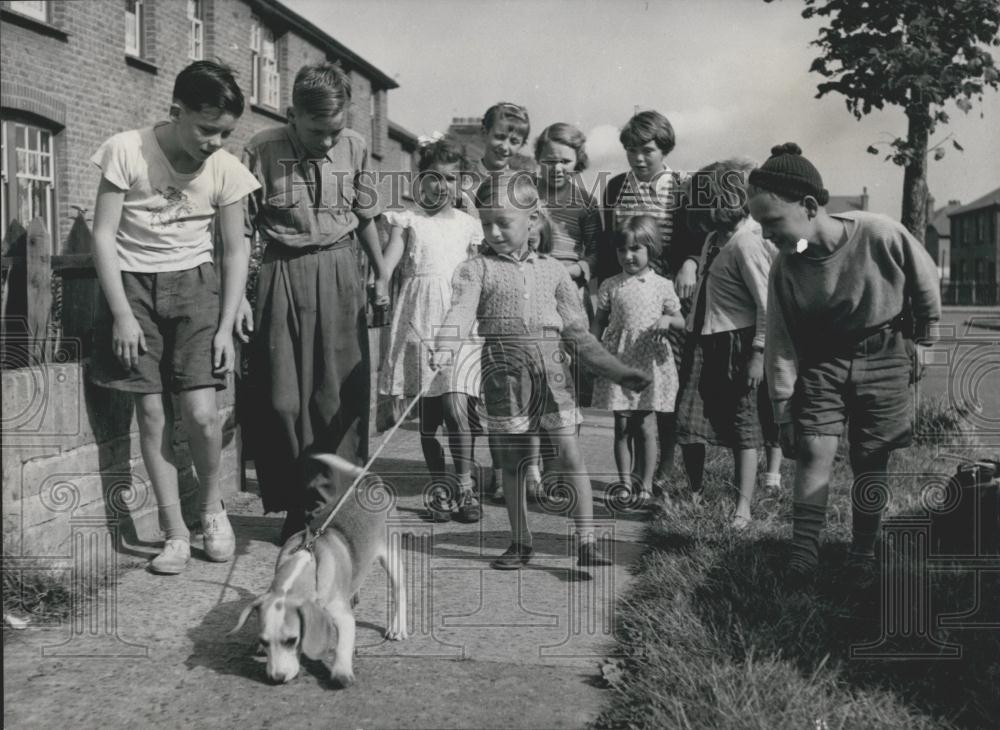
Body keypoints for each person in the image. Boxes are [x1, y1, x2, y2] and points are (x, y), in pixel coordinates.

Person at [89, 61, 261, 574]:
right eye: (207, 128)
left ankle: (211, 510)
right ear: (175, 111)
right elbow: (102, 235)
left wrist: (229, 321)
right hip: (134, 289)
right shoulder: (127, 150)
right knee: (153, 415)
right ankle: (174, 533)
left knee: (203, 416)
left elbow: (234, 250)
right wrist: (121, 314)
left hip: (196, 288)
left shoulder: (226, 169)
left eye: (226, 132)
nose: (215, 141)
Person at [432, 172, 651, 569]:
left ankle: (586, 540)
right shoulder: (476, 269)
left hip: (552, 372)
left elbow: (580, 335)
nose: (493, 232)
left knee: (569, 454)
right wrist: (446, 345)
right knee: (514, 460)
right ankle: (520, 541)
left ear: (532, 220)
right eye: (486, 223)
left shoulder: (554, 272)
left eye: (504, 223)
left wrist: (618, 371)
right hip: (504, 373)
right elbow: (461, 309)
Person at [748, 142, 940, 582]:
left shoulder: (879, 232)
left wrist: (926, 338)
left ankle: (862, 551)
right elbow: (781, 341)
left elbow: (925, 280)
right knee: (815, 448)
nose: (765, 234)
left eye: (772, 221)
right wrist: (783, 408)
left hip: (886, 351)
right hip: (822, 360)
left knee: (872, 456)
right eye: (759, 224)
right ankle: (804, 552)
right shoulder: (785, 268)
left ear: (810, 206)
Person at [240, 63, 390, 543]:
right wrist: (239, 298)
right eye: (316, 131)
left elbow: (366, 217)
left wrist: (382, 272)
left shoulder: (357, 147)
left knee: (337, 397)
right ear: (291, 115)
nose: (327, 142)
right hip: (280, 271)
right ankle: (293, 502)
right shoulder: (259, 149)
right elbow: (240, 232)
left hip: (341, 270)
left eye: (335, 131)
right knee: (281, 400)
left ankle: (331, 508)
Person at [597, 110, 702, 496]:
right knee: (628, 398)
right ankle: (633, 475)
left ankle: (663, 467)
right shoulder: (614, 188)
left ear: (664, 149)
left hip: (668, 290)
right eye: (631, 150)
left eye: (648, 151)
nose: (639, 158)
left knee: (665, 384)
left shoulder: (681, 186)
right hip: (626, 291)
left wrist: (690, 262)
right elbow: (611, 245)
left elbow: (693, 236)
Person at [379, 135, 483, 523]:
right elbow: (389, 261)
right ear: (420, 179)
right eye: (435, 177)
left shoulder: (469, 226)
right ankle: (439, 485)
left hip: (457, 322)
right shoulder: (408, 221)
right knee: (429, 417)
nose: (443, 186)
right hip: (419, 320)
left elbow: (477, 273)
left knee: (457, 408)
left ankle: (466, 486)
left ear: (461, 184)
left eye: (453, 179)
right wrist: (378, 283)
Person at [675, 160, 782, 529]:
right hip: (703, 339)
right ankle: (693, 492)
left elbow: (767, 304)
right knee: (689, 419)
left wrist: (758, 353)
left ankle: (743, 507)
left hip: (737, 343)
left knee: (743, 425)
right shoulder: (712, 240)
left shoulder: (748, 242)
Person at [456, 101, 534, 501]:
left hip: (506, 286)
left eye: (515, 139)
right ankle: (480, 472)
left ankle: (520, 471)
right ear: (484, 132)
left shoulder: (523, 180)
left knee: (514, 386)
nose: (506, 145)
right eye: (500, 136)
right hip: (472, 280)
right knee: (482, 387)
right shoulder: (465, 179)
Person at [591, 216, 684, 508]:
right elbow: (599, 322)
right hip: (619, 360)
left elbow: (682, 320)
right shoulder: (610, 285)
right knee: (622, 426)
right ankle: (624, 482)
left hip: (649, 363)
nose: (628, 256)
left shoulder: (662, 285)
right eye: (622, 250)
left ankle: (645, 484)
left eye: (635, 249)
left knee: (645, 426)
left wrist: (668, 319)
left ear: (651, 249)